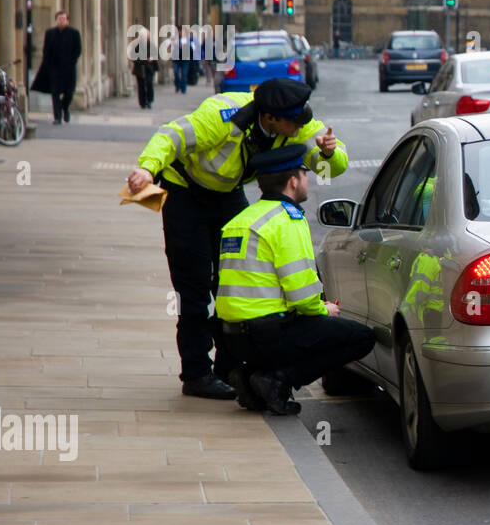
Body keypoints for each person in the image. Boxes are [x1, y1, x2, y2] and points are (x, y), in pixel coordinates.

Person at [124, 79, 347, 399]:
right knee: (194, 286)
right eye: (293, 123)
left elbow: (330, 167)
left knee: (236, 280)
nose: (300, 128)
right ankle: (196, 372)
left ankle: (226, 366)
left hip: (227, 195)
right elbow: (170, 135)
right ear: (269, 118)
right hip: (185, 192)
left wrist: (329, 152)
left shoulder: (296, 119)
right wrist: (147, 170)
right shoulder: (222, 115)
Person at [215, 144, 375, 414]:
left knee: (299, 327)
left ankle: (250, 377)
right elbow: (302, 294)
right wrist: (324, 309)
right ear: (292, 181)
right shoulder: (287, 221)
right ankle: (278, 379)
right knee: (361, 337)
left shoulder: (241, 220)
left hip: (232, 338)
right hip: (266, 335)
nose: (308, 181)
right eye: (304, 174)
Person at [30, 10, 82, 124]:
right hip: (55, 69)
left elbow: (78, 50)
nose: (61, 21)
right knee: (55, 93)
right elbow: (46, 50)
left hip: (69, 69)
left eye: (64, 19)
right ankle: (57, 117)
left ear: (67, 21)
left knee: (69, 92)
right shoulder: (50, 33)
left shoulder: (74, 33)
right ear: (56, 20)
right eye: (59, 19)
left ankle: (65, 107)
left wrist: (71, 61)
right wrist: (47, 65)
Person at [130, 25, 157, 109]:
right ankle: (142, 102)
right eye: (142, 36)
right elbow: (133, 57)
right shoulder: (136, 46)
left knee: (149, 84)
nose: (143, 38)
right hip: (140, 69)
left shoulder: (151, 45)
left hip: (149, 69)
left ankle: (149, 100)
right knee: (141, 86)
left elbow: (156, 55)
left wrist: (152, 58)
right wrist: (143, 59)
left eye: (145, 36)